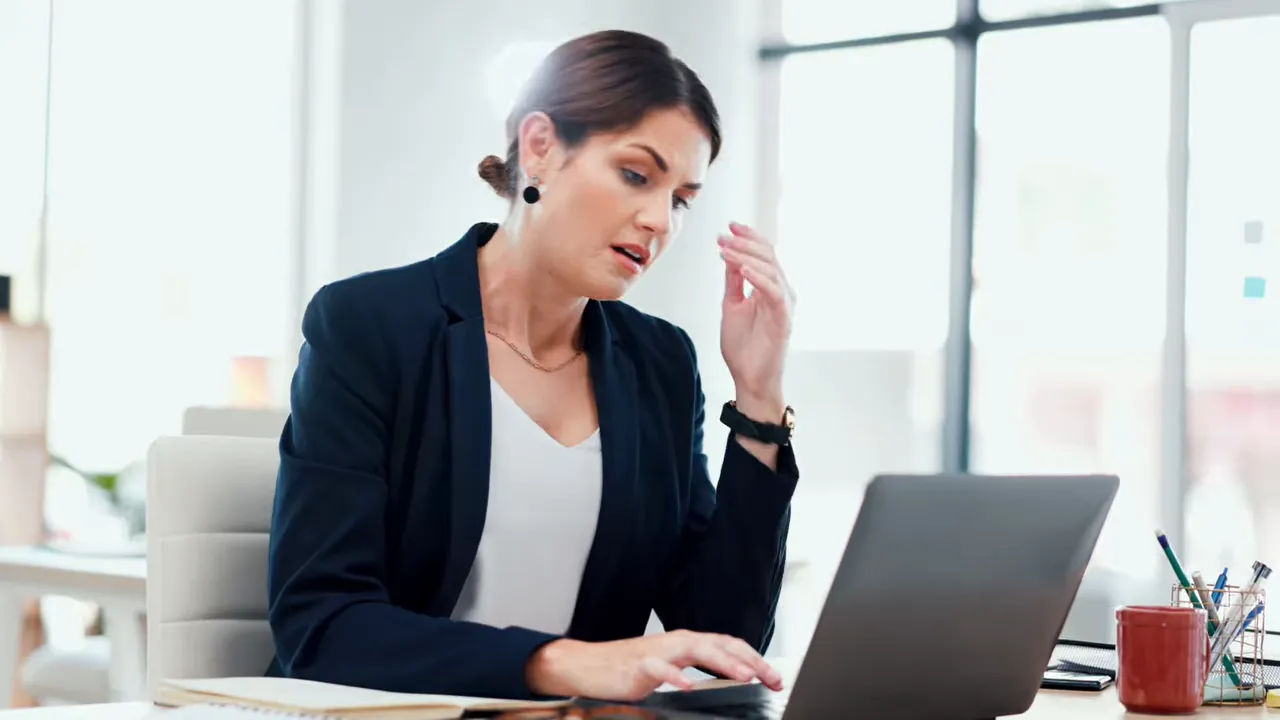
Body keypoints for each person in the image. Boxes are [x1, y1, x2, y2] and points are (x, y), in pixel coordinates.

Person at [265, 28, 800, 704]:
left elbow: (725, 639)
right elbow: (323, 626)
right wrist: (559, 663)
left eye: (682, 198)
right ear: (540, 147)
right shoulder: (370, 326)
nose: (660, 219)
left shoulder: (660, 363)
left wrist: (758, 396)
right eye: (637, 175)